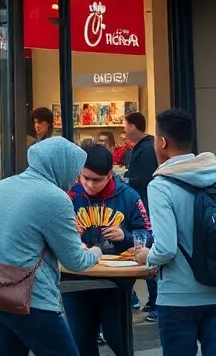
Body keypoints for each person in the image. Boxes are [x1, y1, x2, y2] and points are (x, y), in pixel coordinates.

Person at [133, 109, 216, 356]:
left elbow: (165, 249)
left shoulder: (161, 185)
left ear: (163, 142)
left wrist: (146, 257)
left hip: (179, 295)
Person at [0, 136, 102, 355]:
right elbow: (75, 261)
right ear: (60, 165)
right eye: (75, 171)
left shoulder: (1, 186)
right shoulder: (54, 197)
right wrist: (97, 251)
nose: (75, 179)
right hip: (32, 300)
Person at [63, 144, 149, 356]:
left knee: (117, 336)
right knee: (80, 341)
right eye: (85, 178)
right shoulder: (69, 195)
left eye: (97, 180)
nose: (90, 185)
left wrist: (126, 236)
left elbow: (148, 234)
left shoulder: (128, 196)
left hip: (115, 279)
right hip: (76, 276)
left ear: (110, 174)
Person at [124, 111, 159, 321]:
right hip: (142, 208)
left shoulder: (146, 148)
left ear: (134, 126)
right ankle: (150, 302)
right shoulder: (143, 146)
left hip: (146, 209)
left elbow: (145, 178)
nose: (124, 130)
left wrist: (127, 180)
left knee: (147, 253)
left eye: (126, 126)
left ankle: (155, 303)